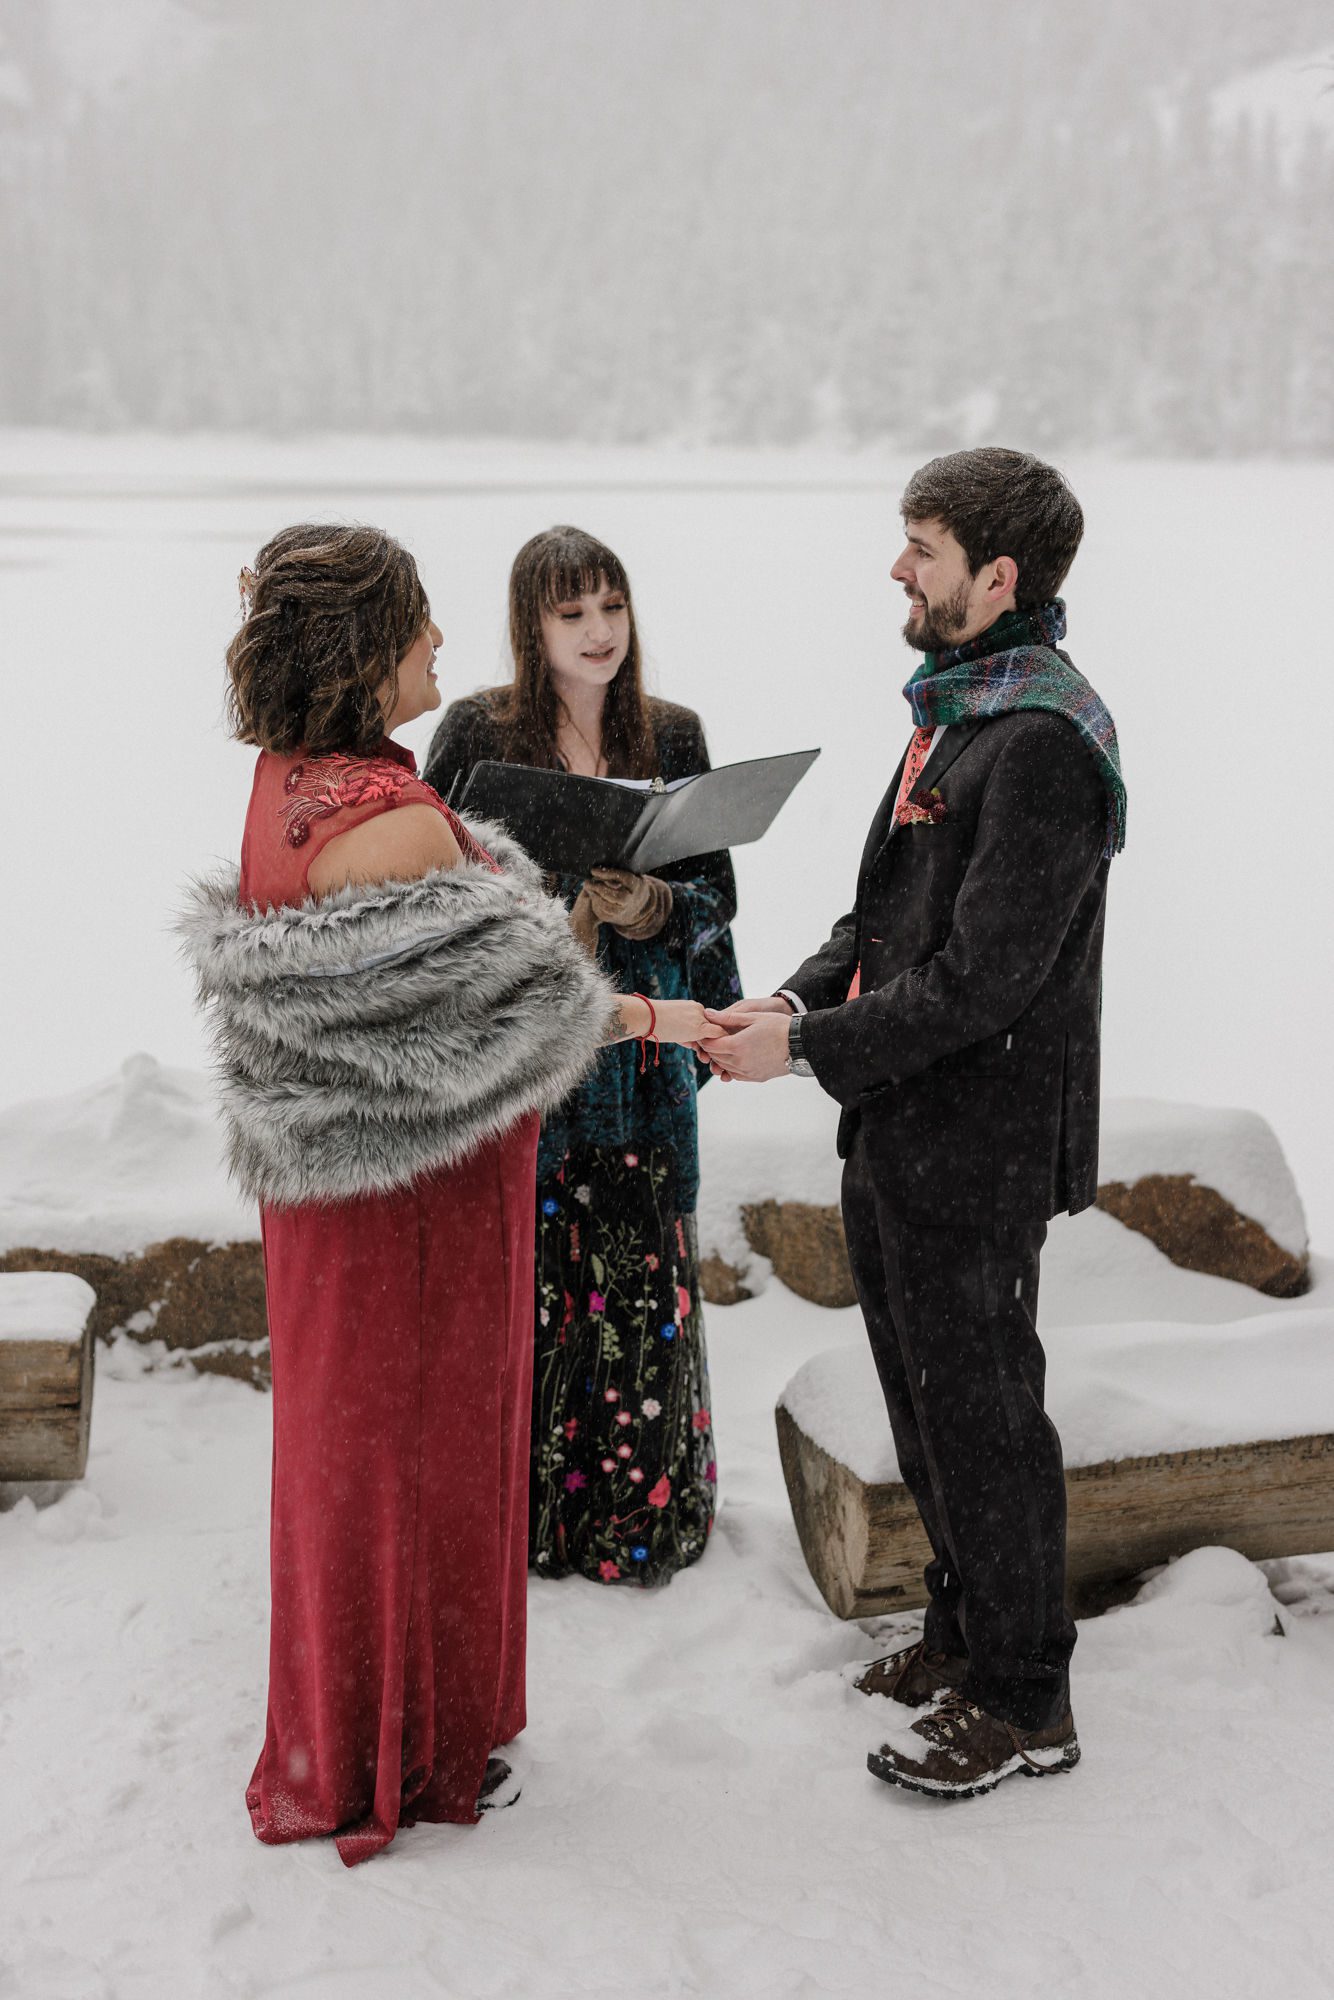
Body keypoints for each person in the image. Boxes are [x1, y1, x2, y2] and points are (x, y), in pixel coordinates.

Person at [179, 524, 715, 1866]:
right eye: (416, 624)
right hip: (422, 1207)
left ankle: (357, 1723)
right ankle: (408, 1752)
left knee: (347, 1460)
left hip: (335, 1189)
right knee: (418, 1464)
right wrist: (666, 1016)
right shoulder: (402, 824)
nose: (435, 644)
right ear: (368, 653)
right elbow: (523, 1022)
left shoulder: (290, 781)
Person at [703, 449, 1126, 1799]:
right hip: (900, 1129)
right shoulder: (956, 709)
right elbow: (884, 924)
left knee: (989, 1420)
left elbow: (983, 981)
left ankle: (1024, 1697)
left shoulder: (1046, 744)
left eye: (923, 548)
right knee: (924, 1405)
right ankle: (959, 1636)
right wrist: (795, 990)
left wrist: (803, 1050)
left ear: (998, 577)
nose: (897, 567)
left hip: (982, 1145)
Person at [424, 525, 741, 1588]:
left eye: (611, 607)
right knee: (529, 1282)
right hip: (533, 1057)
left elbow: (718, 901)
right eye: (572, 614)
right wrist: (534, 903)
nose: (599, 632)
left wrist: (655, 901)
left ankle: (636, 1523)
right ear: (531, 625)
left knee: (639, 1280)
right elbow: (429, 884)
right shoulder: (478, 728)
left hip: (641, 1065)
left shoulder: (673, 732)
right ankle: (523, 1523)